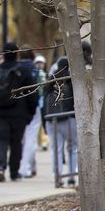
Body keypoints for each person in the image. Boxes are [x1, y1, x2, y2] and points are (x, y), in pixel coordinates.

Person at [0, 42, 39, 182]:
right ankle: (14, 172)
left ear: (2, 54)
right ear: (17, 54)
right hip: (19, 113)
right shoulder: (24, 72)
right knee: (16, 142)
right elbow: (31, 94)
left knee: (0, 139)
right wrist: (31, 112)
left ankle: (0, 168)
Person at [44, 57, 77, 186]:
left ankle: (57, 176)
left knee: (55, 148)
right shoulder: (71, 80)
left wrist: (44, 120)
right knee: (72, 148)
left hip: (51, 119)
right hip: (69, 118)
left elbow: (43, 103)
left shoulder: (50, 81)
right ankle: (71, 176)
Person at [18, 47, 44, 178]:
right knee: (31, 137)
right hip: (33, 107)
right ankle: (25, 168)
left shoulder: (15, 69)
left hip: (17, 107)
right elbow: (40, 89)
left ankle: (31, 166)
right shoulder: (35, 70)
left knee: (22, 138)